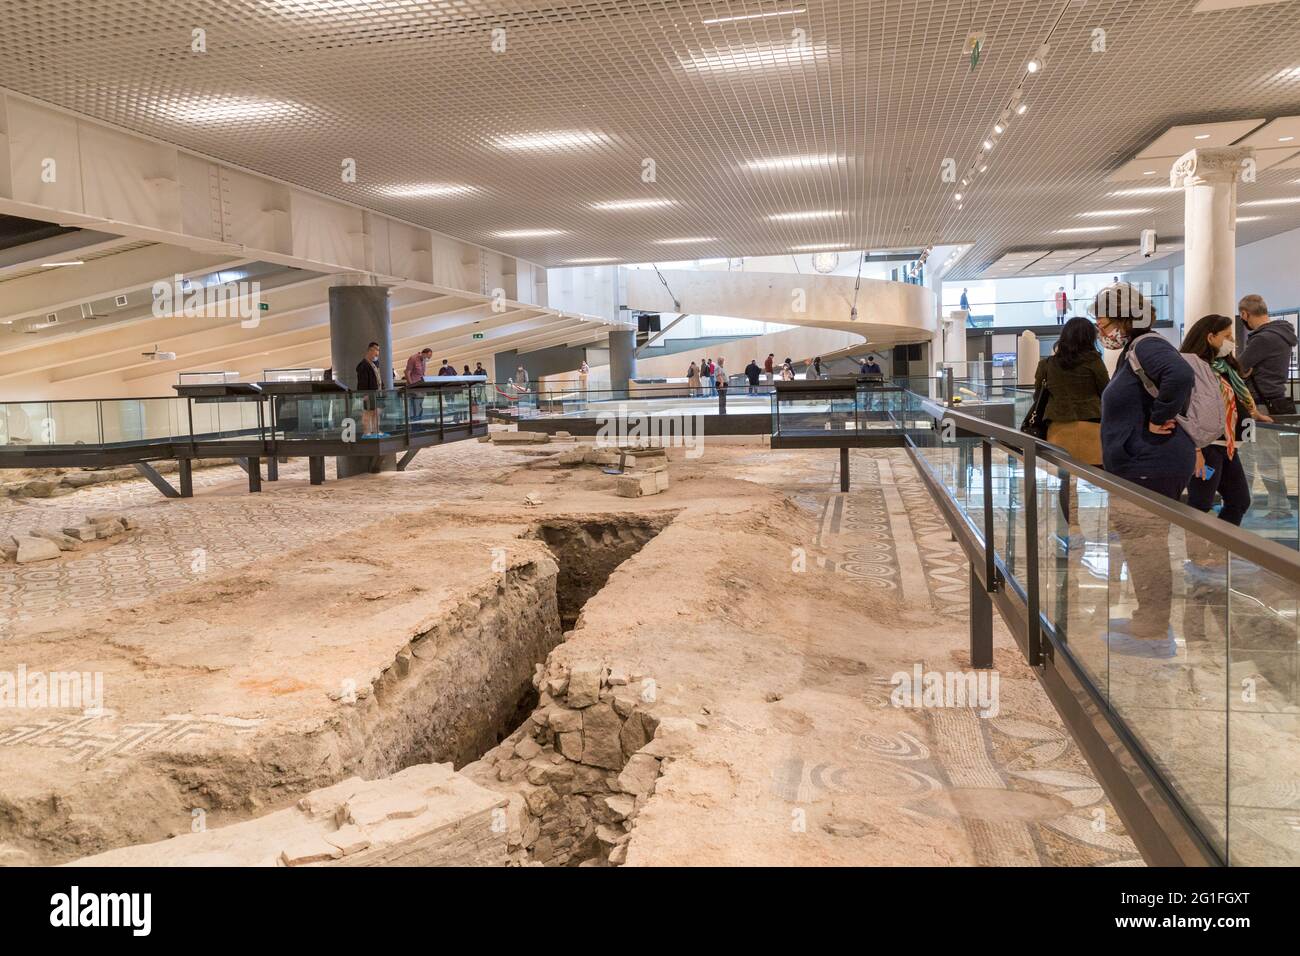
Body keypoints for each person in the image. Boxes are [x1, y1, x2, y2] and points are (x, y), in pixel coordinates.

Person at [1096, 283, 1194, 654]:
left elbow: (1180, 376)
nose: (1101, 330)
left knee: (1147, 545)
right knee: (1142, 546)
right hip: (1142, 462)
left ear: (1123, 317)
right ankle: (1148, 617)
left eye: (1103, 322)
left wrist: (1159, 417)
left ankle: (1153, 628)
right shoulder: (1135, 351)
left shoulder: (1147, 345)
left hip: (1152, 462)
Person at [1182, 314, 1271, 527]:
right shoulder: (1193, 368)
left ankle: (1219, 549)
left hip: (1229, 445)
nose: (1232, 341)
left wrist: (1254, 413)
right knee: (1200, 503)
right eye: (1227, 336)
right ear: (1210, 337)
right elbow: (1187, 408)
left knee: (1239, 501)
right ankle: (1198, 556)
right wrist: (1195, 450)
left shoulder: (1224, 366)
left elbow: (1236, 396)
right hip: (1206, 445)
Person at [1033, 317, 1109, 526]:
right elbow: (1107, 392)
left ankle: (1068, 525)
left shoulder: (1047, 365)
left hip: (1059, 430)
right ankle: (1105, 524)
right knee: (1103, 479)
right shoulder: (1094, 362)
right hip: (1092, 428)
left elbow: (1038, 397)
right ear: (1089, 338)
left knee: (1064, 481)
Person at [1239, 294, 1296, 519]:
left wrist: (1245, 370)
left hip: (1259, 406)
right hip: (1269, 402)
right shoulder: (1282, 334)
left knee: (1259, 457)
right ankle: (1259, 503)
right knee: (1260, 456)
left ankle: (1279, 507)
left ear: (1245, 314)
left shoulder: (1262, 339)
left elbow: (1239, 367)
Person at [355, 341, 383, 436]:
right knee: (367, 413)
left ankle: (376, 431)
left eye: (378, 351)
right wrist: (364, 394)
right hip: (369, 394)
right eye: (376, 351)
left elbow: (378, 377)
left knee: (377, 412)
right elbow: (362, 382)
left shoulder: (376, 363)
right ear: (370, 350)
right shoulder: (363, 365)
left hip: (377, 393)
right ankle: (367, 432)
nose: (377, 353)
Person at [404, 348, 432, 421]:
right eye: (428, 357)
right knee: (414, 408)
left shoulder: (423, 361)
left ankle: (419, 424)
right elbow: (407, 373)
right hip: (414, 387)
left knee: (420, 406)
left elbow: (422, 374)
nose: (428, 359)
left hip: (421, 387)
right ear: (424, 353)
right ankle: (414, 425)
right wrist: (411, 386)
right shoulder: (413, 358)